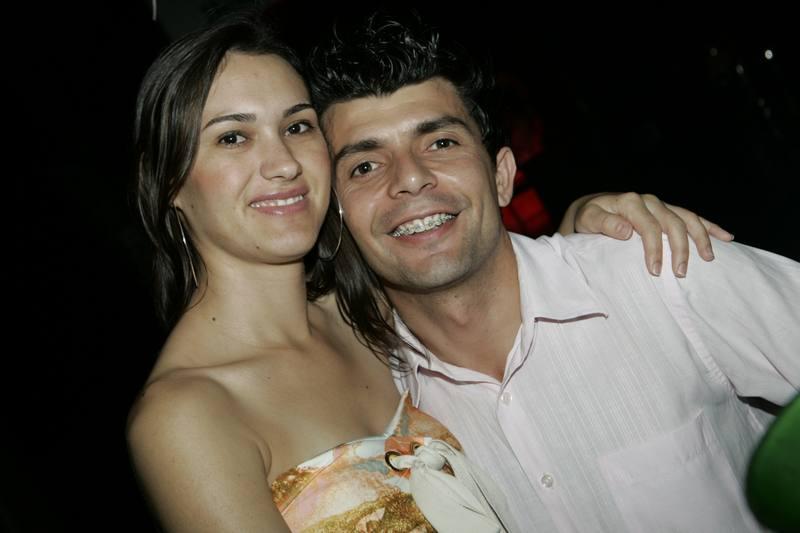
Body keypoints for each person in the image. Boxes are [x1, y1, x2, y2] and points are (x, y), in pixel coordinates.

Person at [126, 8, 729, 533]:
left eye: (297, 126)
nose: (283, 162)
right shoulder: (187, 414)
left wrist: (585, 222)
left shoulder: (370, 313)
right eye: (233, 138)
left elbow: (483, 274)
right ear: (170, 181)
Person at [305, 10, 800, 533]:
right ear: (338, 218)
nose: (409, 177)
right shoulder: (382, 410)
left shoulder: (659, 270)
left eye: (440, 143)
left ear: (501, 176)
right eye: (365, 166)